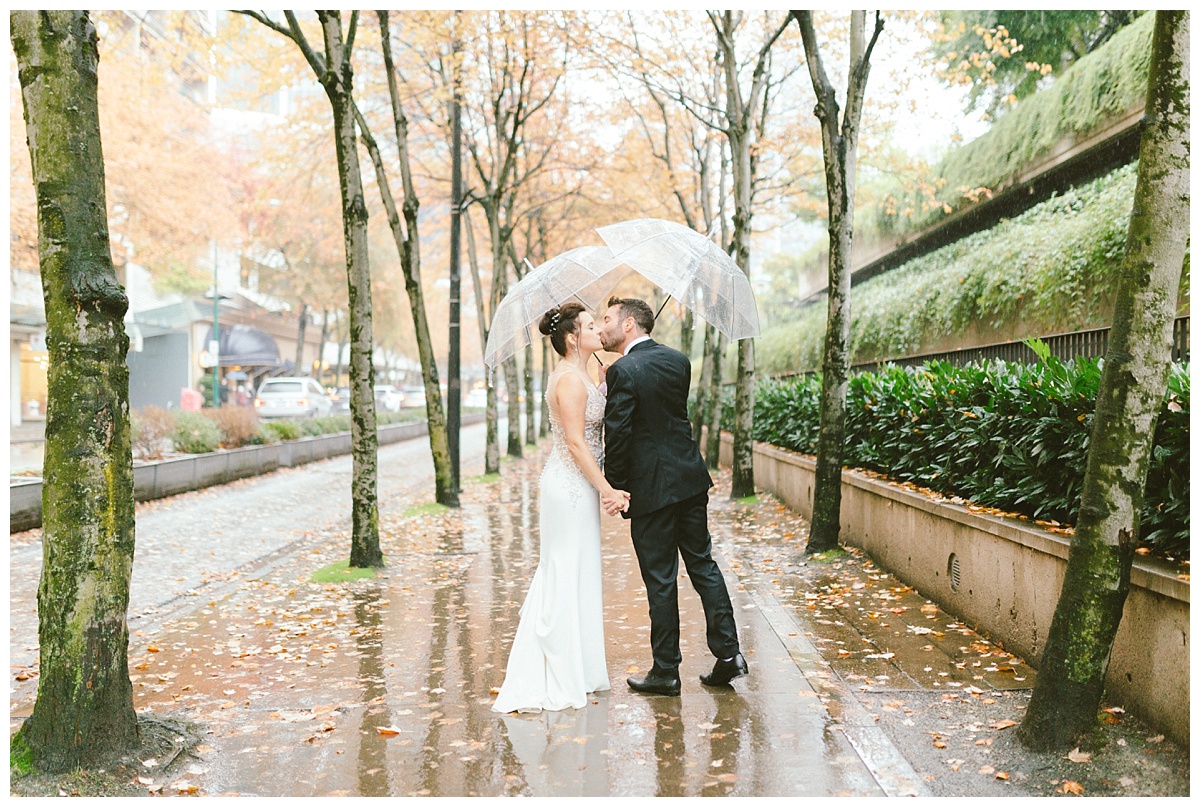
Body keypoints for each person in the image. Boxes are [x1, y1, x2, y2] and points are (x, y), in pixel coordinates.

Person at [598, 296, 748, 696]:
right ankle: (730, 655)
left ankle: (666, 671)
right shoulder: (678, 361)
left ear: (630, 325)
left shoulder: (622, 370)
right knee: (703, 565)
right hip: (690, 479)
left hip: (651, 489)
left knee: (661, 579)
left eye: (608, 319)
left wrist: (615, 487)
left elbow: (620, 434)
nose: (602, 326)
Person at [492, 303, 629, 714]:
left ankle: (582, 670)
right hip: (568, 487)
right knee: (566, 570)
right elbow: (574, 442)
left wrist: (602, 388)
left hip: (578, 486)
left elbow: (591, 424)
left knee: (581, 571)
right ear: (572, 337)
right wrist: (607, 488)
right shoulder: (568, 380)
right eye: (590, 325)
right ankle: (559, 671)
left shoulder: (583, 376)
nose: (597, 330)